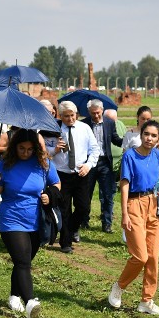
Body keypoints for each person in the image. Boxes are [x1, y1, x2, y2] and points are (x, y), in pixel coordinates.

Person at [0, 129, 61, 318]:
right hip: (12, 219)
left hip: (36, 220)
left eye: (30, 149)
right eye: (22, 148)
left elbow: (57, 183)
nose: (26, 152)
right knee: (22, 262)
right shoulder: (4, 165)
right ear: (14, 147)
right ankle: (30, 303)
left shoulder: (43, 164)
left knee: (24, 261)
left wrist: (50, 194)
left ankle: (14, 296)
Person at [108, 120, 159, 316]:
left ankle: (146, 300)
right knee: (140, 256)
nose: (149, 138)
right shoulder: (130, 156)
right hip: (134, 205)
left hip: (154, 205)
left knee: (153, 258)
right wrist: (125, 213)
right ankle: (119, 286)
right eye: (147, 134)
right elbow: (124, 184)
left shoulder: (158, 155)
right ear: (141, 135)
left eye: (154, 136)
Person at [46, 101, 99, 253]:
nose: (70, 119)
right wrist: (55, 149)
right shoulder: (53, 130)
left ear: (76, 114)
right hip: (61, 174)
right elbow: (44, 151)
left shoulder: (84, 128)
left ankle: (72, 228)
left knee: (83, 207)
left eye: (72, 115)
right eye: (66, 116)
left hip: (80, 173)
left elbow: (95, 149)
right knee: (64, 210)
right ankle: (65, 243)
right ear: (60, 116)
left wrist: (89, 165)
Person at [81, 100, 123, 233]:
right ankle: (84, 221)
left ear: (102, 110)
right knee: (86, 193)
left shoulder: (109, 123)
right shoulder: (84, 124)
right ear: (89, 112)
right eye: (93, 113)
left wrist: (127, 141)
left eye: (98, 113)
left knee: (107, 194)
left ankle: (107, 223)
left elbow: (115, 139)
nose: (96, 116)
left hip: (105, 162)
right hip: (89, 163)